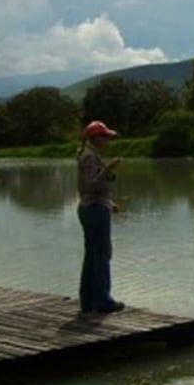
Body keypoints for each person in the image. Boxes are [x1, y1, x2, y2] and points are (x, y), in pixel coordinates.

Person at [77, 120, 125, 314]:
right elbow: (90, 185)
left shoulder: (89, 155)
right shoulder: (89, 157)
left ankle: (88, 302)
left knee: (93, 256)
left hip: (94, 207)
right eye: (105, 136)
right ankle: (103, 301)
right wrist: (108, 169)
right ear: (95, 137)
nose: (108, 140)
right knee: (102, 255)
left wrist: (110, 203)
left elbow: (91, 187)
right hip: (95, 210)